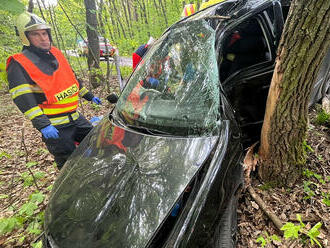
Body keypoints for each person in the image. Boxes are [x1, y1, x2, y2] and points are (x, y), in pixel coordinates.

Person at [6, 12, 102, 169]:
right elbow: (23, 98)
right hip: (54, 125)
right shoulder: (19, 63)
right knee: (69, 162)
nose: (43, 38)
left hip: (75, 117)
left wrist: (89, 96)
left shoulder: (56, 53)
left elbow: (71, 80)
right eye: (36, 34)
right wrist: (43, 124)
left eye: (44, 33)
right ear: (25, 38)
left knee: (95, 141)